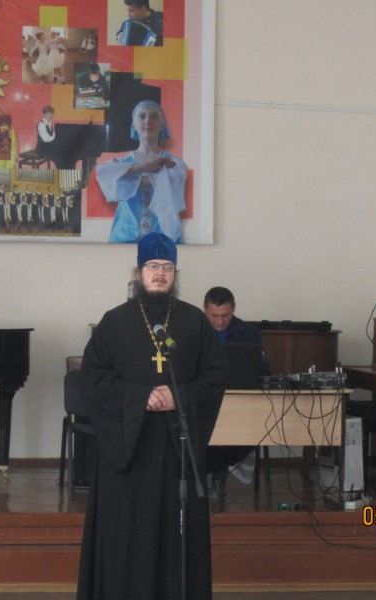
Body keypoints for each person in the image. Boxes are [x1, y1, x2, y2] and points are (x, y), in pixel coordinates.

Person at [77, 232, 228, 600]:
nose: (160, 273)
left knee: (176, 535)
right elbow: (93, 378)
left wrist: (179, 396)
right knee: (128, 536)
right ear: (138, 272)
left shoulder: (194, 322)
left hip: (176, 452)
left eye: (167, 267)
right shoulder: (114, 322)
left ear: (175, 274)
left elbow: (215, 376)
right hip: (128, 451)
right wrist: (139, 397)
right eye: (152, 266)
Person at [202, 286, 268, 500]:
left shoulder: (249, 333)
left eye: (225, 315)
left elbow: (260, 369)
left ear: (234, 309)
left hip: (240, 401)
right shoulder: (194, 330)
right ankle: (213, 474)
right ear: (204, 310)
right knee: (196, 433)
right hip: (204, 399)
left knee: (249, 433)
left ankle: (215, 471)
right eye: (213, 316)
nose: (219, 321)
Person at [95, 99, 187, 243]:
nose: (148, 121)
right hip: (126, 235)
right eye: (142, 116)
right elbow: (102, 172)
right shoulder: (124, 162)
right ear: (134, 125)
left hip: (162, 236)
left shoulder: (175, 163)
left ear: (162, 124)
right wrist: (145, 167)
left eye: (154, 116)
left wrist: (129, 176)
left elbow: (172, 183)